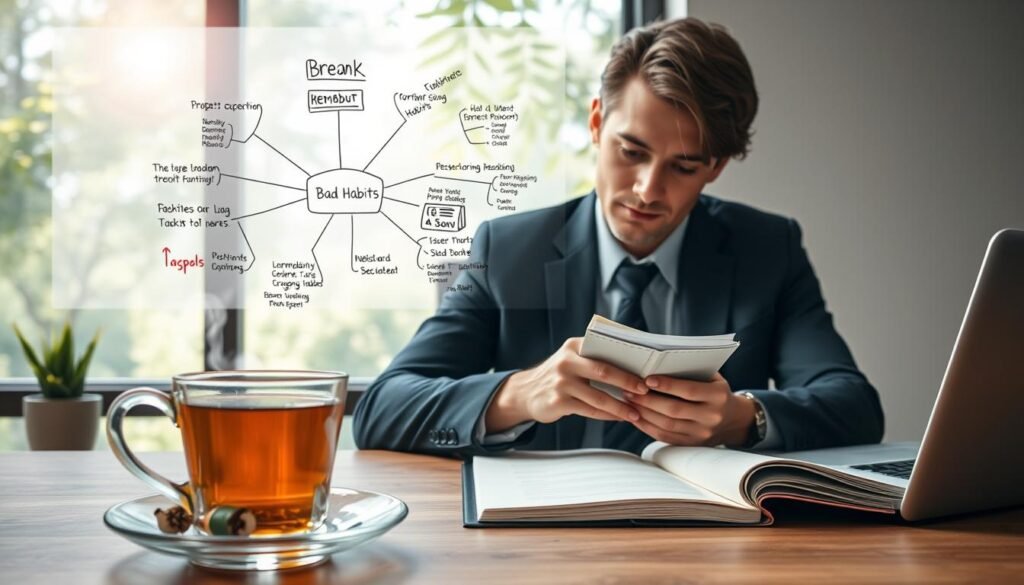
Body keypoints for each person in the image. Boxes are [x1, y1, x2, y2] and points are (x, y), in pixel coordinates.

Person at [352, 17, 884, 457]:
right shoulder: (507, 251)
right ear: (596, 123)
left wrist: (742, 417)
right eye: (631, 152)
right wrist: (518, 394)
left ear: (716, 167)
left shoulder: (768, 249)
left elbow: (855, 407)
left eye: (683, 166)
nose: (648, 190)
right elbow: (381, 409)